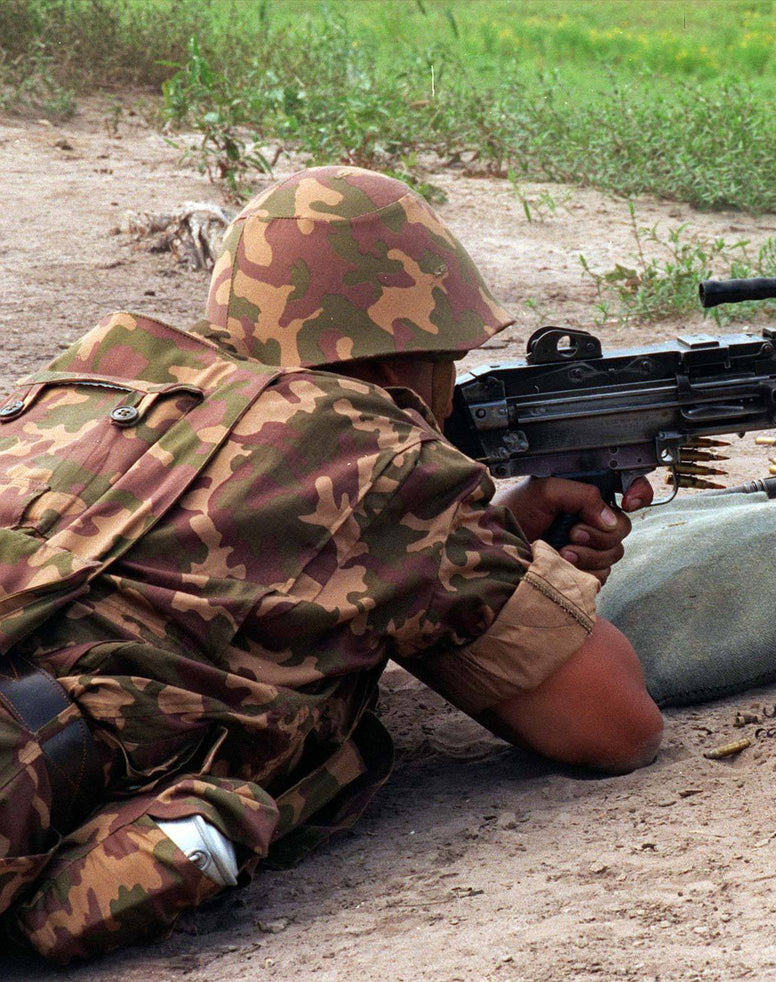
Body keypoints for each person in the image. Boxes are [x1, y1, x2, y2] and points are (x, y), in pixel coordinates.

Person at [0, 166, 663, 963]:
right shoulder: (378, 455)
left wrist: (479, 544)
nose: (450, 390)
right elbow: (611, 727)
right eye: (449, 359)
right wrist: (484, 561)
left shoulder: (100, 376)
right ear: (398, 364)